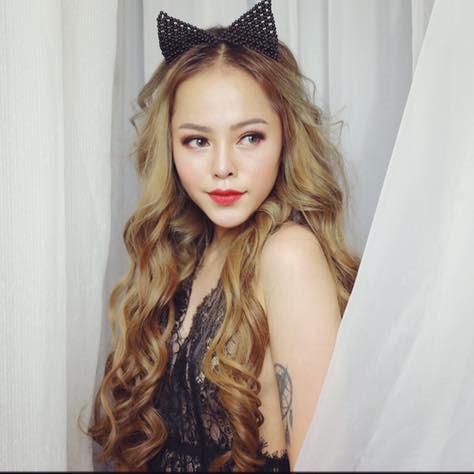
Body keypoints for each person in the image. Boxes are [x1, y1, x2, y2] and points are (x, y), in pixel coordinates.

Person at [85, 0, 360, 471]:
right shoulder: (187, 255)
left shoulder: (288, 256)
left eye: (250, 137)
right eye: (197, 140)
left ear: (286, 137)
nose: (223, 167)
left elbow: (326, 461)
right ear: (170, 147)